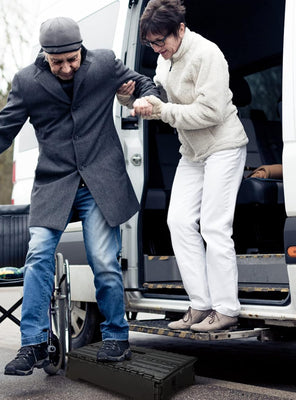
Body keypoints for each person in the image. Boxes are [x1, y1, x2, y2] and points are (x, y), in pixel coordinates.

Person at [0, 17, 159, 375]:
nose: (66, 67)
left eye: (72, 59)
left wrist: (147, 96)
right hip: (55, 183)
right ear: (45, 57)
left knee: (104, 259)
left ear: (81, 50)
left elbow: (143, 81)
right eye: (58, 62)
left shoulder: (104, 64)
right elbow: (3, 128)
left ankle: (116, 337)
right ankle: (32, 344)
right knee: (37, 256)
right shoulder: (27, 82)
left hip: (100, 180)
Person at [122, 0, 249, 332]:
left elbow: (210, 113)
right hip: (192, 153)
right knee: (177, 221)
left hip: (224, 146)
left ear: (180, 29)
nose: (157, 50)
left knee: (214, 226)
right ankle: (200, 305)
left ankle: (226, 310)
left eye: (161, 41)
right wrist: (130, 97)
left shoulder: (208, 55)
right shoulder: (166, 61)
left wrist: (162, 111)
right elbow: (157, 92)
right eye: (151, 44)